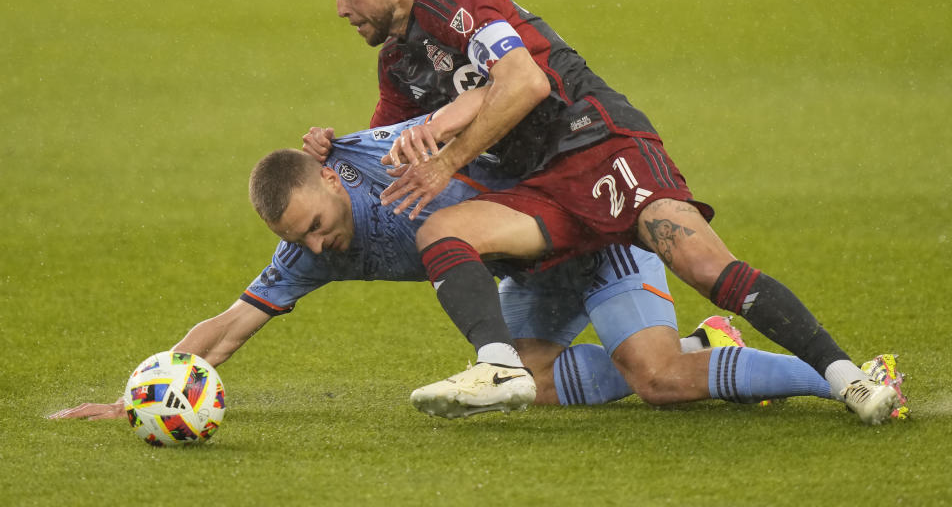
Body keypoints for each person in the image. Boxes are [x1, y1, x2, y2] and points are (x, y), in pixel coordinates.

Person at [305, 0, 903, 424]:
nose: (339, 9)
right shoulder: (399, 63)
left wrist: (449, 162)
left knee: (703, 266)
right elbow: (391, 144)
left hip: (599, 145)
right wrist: (336, 149)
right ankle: (500, 366)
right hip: (539, 188)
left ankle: (850, 376)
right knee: (450, 235)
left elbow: (527, 82)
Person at [48, 104, 872, 422]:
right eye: (297, 238)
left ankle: (837, 376)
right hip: (529, 278)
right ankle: (702, 349)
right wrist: (140, 395)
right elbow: (227, 329)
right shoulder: (309, 253)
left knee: (652, 381)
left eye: (318, 224)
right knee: (528, 381)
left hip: (586, 234)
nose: (316, 245)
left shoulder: (381, 152)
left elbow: (493, 96)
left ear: (334, 176)